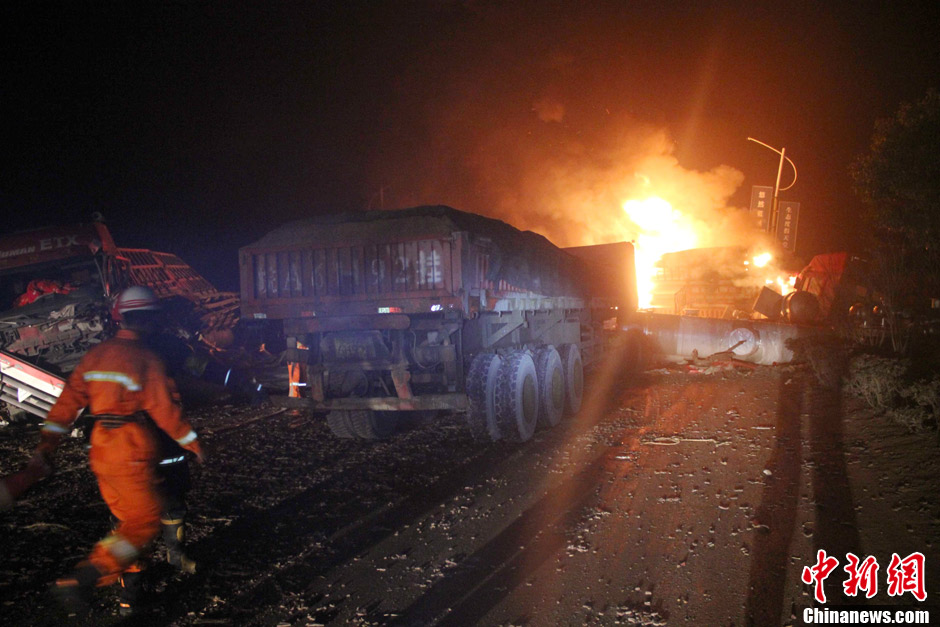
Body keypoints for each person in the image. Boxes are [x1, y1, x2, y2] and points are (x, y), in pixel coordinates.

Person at [35, 285, 205, 615]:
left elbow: (66, 405)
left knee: (124, 526)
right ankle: (86, 576)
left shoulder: (95, 356)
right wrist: (194, 443)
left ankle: (130, 601)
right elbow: (165, 410)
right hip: (132, 445)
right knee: (142, 523)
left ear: (120, 318)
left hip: (101, 446)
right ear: (152, 319)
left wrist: (47, 446)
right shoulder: (147, 357)